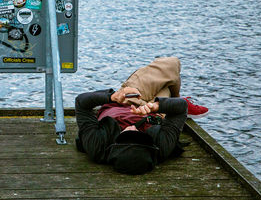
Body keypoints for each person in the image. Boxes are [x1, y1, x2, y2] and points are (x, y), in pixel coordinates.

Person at [75, 57, 209, 175]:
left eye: (127, 134)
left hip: (127, 101)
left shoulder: (97, 145)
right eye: (139, 135)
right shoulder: (160, 147)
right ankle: (172, 100)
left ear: (115, 143)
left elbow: (81, 102)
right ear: (148, 143)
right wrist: (156, 107)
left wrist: (112, 97)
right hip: (153, 113)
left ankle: (169, 101)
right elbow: (181, 108)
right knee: (169, 74)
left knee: (170, 66)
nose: (133, 128)